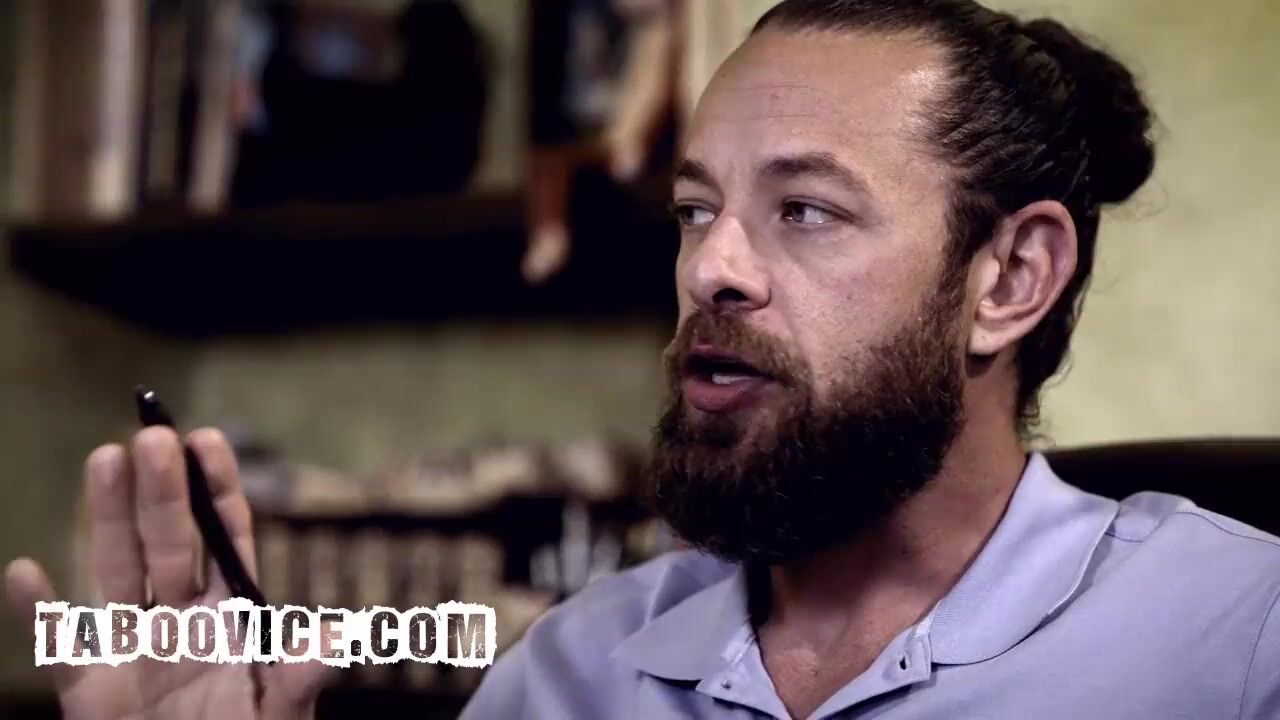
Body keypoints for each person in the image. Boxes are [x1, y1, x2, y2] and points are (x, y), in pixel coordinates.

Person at [7, 0, 1279, 718]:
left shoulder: (1236, 636)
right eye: (691, 209)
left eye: (804, 210)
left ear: (1007, 279)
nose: (709, 267)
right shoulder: (568, 669)